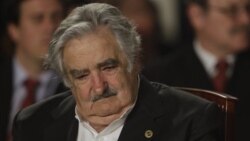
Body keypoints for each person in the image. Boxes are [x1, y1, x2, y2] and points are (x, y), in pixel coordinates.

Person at [12, 3, 223, 141]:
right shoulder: (33, 123)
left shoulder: (191, 121)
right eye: (82, 75)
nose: (99, 86)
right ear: (68, 80)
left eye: (108, 67)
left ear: (133, 61)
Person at [143, 0, 250, 140]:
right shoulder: (156, 77)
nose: (246, 19)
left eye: (248, 8)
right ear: (197, 15)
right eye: (231, 10)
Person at [0, 0, 67, 140]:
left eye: (56, 17)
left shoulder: (75, 86)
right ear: (14, 30)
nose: (50, 27)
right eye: (38, 18)